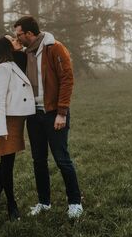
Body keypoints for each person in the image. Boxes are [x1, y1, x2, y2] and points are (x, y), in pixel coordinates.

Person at [14, 16, 83, 219]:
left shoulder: (55, 48)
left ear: (29, 33)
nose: (18, 39)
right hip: (33, 115)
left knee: (62, 159)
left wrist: (62, 112)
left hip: (54, 113)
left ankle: (75, 203)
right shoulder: (25, 53)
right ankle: (44, 203)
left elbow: (67, 79)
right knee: (38, 160)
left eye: (20, 35)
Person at [0, 36, 35, 221]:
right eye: (12, 39)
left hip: (13, 119)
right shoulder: (4, 68)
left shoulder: (12, 64)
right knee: (7, 163)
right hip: (3, 120)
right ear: (7, 46)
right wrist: (1, 129)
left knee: (6, 162)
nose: (17, 40)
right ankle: (11, 204)